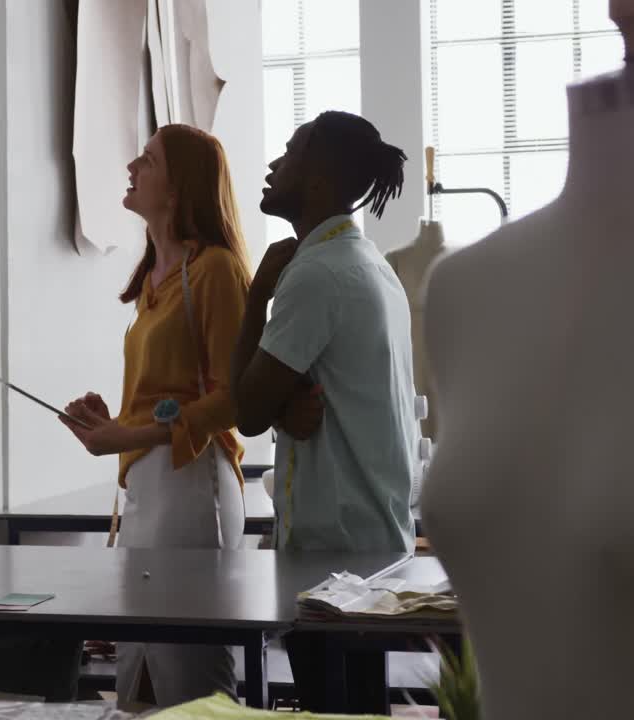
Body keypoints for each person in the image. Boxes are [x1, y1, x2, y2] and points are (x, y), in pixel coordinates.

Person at [230, 111, 419, 712]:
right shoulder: (369, 263)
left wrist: (256, 295)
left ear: (315, 178)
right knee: (359, 705)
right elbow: (310, 393)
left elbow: (247, 410)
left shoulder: (314, 275)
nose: (271, 166)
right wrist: (290, 403)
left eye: (287, 154)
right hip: (367, 542)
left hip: (332, 555)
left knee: (337, 708)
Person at [61, 123, 252, 709]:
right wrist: (108, 420)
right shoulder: (152, 280)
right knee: (138, 657)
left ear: (176, 188)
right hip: (145, 485)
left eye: (146, 160)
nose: (131, 167)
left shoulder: (216, 271)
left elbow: (233, 399)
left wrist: (130, 432)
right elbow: (161, 394)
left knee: (188, 665)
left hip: (193, 486)